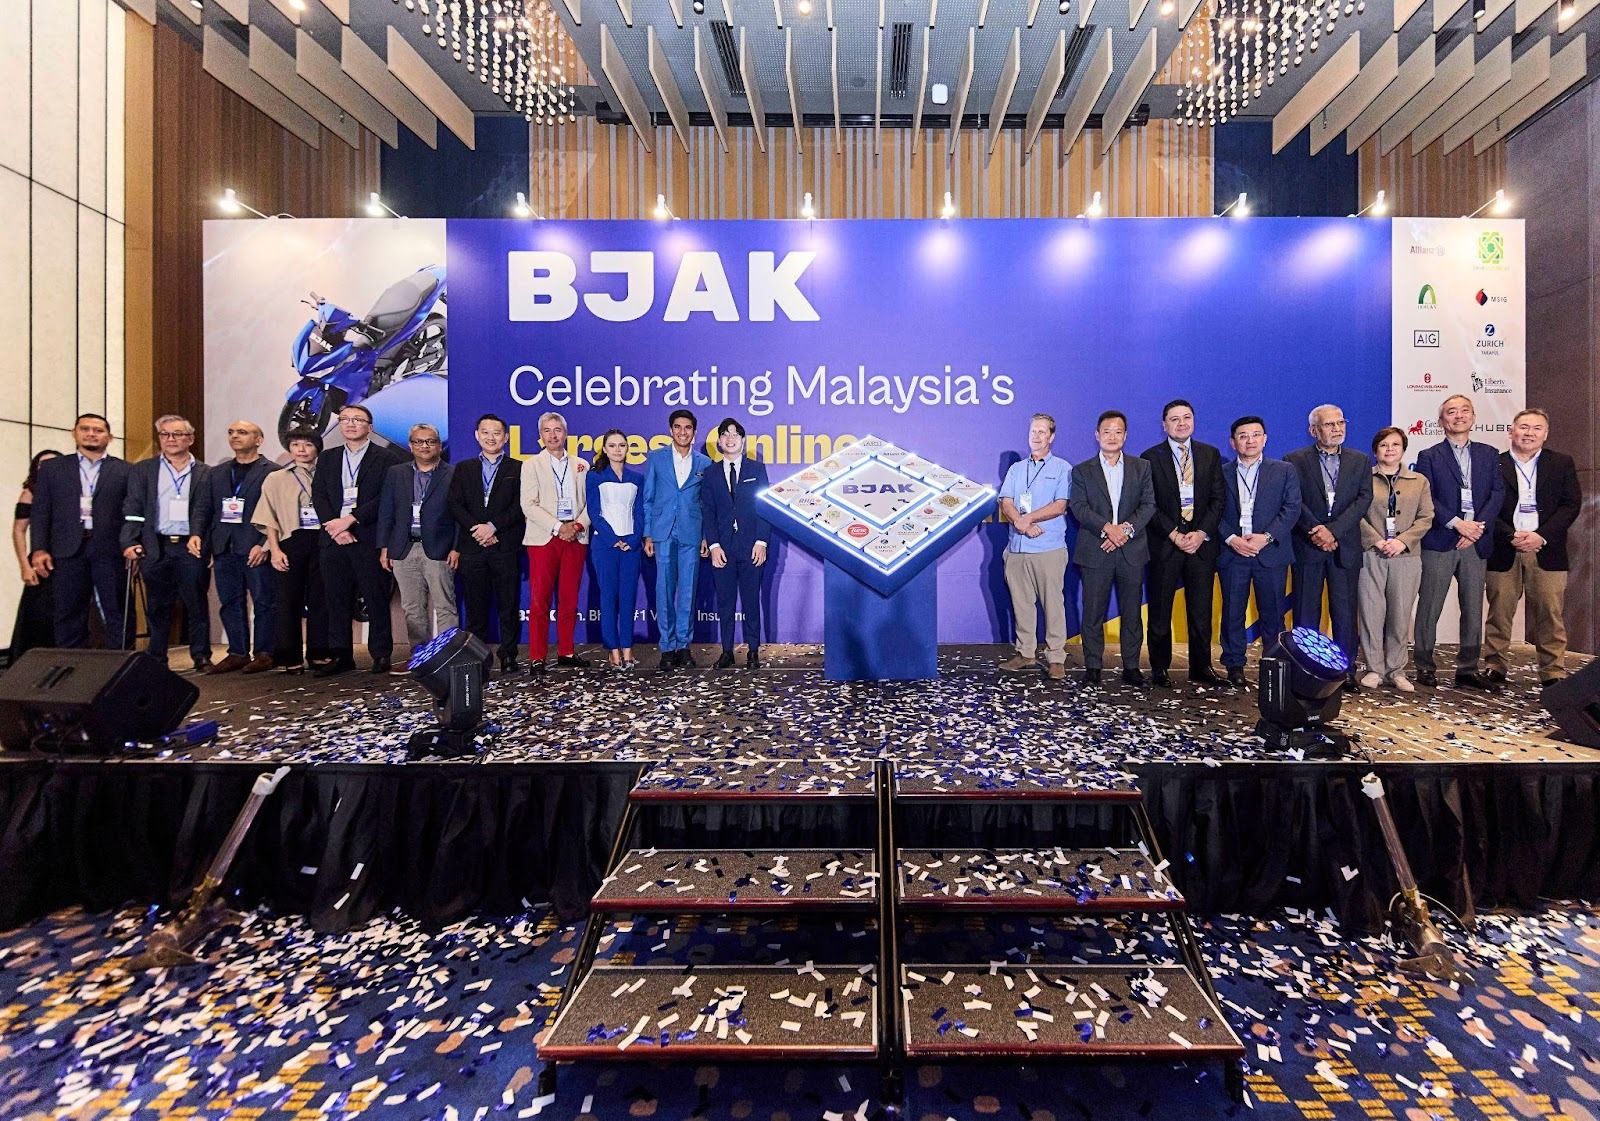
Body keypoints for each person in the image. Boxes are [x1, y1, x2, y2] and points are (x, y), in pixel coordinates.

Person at [1485, 408, 1583, 687]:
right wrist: (1509, 535)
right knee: (1499, 612)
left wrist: (1541, 536)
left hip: (1546, 550)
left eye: (1537, 428)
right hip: (1504, 548)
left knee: (1550, 613)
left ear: (1546, 434)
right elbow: (1486, 506)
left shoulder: (1561, 463)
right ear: (1511, 431)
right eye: (1524, 427)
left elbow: (1570, 505)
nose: (1529, 433)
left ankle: (1553, 671)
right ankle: (1495, 666)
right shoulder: (1494, 464)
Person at [1412, 394, 1505, 688]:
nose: (1459, 416)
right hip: (1441, 540)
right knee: (1430, 606)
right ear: (1441, 421)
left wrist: (1476, 528)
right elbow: (1427, 497)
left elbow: (1497, 494)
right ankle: (1424, 665)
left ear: (1473, 417)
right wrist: (1458, 524)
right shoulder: (1429, 456)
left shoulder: (1489, 454)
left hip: (1476, 542)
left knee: (1473, 608)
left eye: (1465, 410)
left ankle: (1467, 668)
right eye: (1451, 412)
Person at [1284, 404, 1372, 691]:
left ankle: (1345, 671)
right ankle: (1307, 670)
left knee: (1345, 614)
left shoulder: (1360, 460)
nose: (1337, 429)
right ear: (1313, 430)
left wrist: (1333, 531)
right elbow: (1295, 501)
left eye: (1340, 422)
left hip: (1344, 547)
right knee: (1306, 612)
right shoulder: (1294, 460)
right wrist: (1317, 531)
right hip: (1308, 546)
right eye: (1329, 424)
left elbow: (1363, 500)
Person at [1140, 399, 1227, 686]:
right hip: (1166, 544)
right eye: (1174, 419)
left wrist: (1200, 533)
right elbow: (1149, 504)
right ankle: (1159, 667)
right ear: (1164, 425)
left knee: (1201, 611)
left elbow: (1218, 499)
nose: (1181, 423)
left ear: (1193, 421)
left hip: (1201, 545)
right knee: (1160, 610)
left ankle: (1202, 667)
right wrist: (1174, 534)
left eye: (1186, 417)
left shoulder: (1210, 454)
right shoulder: (1150, 457)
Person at [29, 413, 133, 649]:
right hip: (67, 549)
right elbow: (41, 511)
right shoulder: (53, 468)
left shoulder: (125, 470)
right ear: (74, 433)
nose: (91, 434)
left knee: (117, 609)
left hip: (110, 549)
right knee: (68, 611)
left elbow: (133, 512)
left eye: (98, 430)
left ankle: (121, 663)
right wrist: (39, 549)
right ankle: (71, 664)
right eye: (85, 429)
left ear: (110, 437)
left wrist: (132, 544)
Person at [312, 404, 402, 675]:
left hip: (367, 537)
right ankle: (340, 655)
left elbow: (386, 498)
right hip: (334, 539)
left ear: (370, 427)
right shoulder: (327, 458)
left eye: (358, 420)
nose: (350, 424)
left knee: (376, 598)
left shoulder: (386, 458)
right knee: (336, 600)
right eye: (345, 419)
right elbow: (319, 495)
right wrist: (335, 527)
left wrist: (350, 520)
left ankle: (381, 654)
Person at [1069, 410, 1155, 687]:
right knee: (1093, 612)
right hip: (1096, 549)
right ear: (1097, 435)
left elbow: (1148, 505)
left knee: (1132, 613)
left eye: (1118, 432)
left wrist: (1125, 531)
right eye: (1107, 431)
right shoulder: (1082, 470)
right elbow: (1079, 507)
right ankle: (1093, 666)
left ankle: (1132, 666)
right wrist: (1108, 528)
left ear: (1125, 436)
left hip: (1132, 551)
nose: (1112, 436)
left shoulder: (1142, 467)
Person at [121, 415, 212, 672]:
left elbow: (209, 512)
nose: (170, 439)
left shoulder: (206, 472)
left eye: (177, 434)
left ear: (190, 439)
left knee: (196, 603)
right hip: (155, 545)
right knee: (158, 605)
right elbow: (133, 508)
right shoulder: (143, 470)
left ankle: (201, 655)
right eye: (165, 434)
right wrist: (129, 541)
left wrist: (210, 546)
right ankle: (157, 656)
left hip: (191, 547)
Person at [1217, 416, 1301, 688]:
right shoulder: (1220, 472)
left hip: (1270, 552)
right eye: (1243, 436)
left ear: (1265, 439)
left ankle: (1273, 665)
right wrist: (1232, 539)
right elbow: (1212, 510)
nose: (1250, 440)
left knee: (1273, 614)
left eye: (1255, 435)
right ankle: (1234, 665)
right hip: (1233, 553)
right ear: (1233, 443)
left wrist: (1266, 537)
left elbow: (1292, 508)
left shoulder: (1284, 470)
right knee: (1233, 612)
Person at [191, 420, 277, 674]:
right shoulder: (216, 473)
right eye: (231, 432)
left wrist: (265, 545)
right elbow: (203, 508)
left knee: (264, 601)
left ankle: (265, 653)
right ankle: (237, 653)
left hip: (255, 547)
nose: (235, 436)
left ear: (259, 440)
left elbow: (278, 513)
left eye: (242, 432)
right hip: (223, 546)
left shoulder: (273, 471)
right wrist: (197, 535)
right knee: (230, 602)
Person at [1357, 427, 1433, 692]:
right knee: (1371, 612)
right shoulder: (1363, 478)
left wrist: (1402, 541)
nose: (1389, 450)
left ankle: (1396, 670)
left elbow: (1426, 517)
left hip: (1406, 556)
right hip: (1371, 553)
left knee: (1400, 614)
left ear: (1403, 449)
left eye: (1395, 445)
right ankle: (1373, 669)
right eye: (1384, 445)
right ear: (1375, 450)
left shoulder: (1419, 480)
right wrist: (1377, 540)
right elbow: (1356, 513)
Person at [997, 413, 1073, 679]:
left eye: (1042, 432)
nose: (1036, 436)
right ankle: (1026, 653)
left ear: (1051, 437)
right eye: (1033, 431)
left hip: (1048, 548)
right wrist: (1021, 523)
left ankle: (1056, 658)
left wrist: (1027, 519)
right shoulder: (1017, 469)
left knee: (1053, 605)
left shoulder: (1062, 468)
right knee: (1021, 605)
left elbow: (1060, 505)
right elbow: (1006, 501)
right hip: (1016, 548)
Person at [449, 413, 524, 674]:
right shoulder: (463, 468)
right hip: (473, 548)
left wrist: (493, 527)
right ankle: (477, 659)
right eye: (485, 432)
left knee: (508, 606)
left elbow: (520, 506)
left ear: (506, 437)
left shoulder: (518, 468)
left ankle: (509, 655)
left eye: (496, 433)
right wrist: (478, 530)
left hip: (504, 546)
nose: (491, 437)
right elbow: (455, 504)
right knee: (475, 608)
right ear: (477, 435)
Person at [378, 423, 458, 670]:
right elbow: (387, 511)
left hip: (439, 548)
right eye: (419, 441)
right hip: (403, 548)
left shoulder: (452, 473)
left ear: (439, 446)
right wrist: (385, 547)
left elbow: (459, 515)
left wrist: (456, 547)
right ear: (411, 446)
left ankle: (448, 656)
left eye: (431, 441)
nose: (425, 446)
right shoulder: (396, 473)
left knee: (444, 605)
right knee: (412, 608)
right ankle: (419, 657)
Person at [253, 428, 331, 674]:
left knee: (321, 599)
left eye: (308, 444)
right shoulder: (276, 478)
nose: (302, 450)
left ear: (317, 448)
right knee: (288, 600)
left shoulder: (327, 475)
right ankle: (290, 656)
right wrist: (274, 550)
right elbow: (269, 517)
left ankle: (319, 653)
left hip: (323, 540)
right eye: (296, 444)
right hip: (290, 541)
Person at [522, 411, 591, 674]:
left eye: (557, 430)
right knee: (540, 599)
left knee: (569, 598)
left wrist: (576, 526)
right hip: (544, 538)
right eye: (547, 430)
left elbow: (590, 504)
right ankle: (537, 655)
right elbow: (528, 505)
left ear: (565, 433)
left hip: (575, 537)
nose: (552, 435)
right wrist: (557, 527)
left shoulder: (581, 465)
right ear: (541, 435)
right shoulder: (531, 465)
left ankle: (566, 651)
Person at [643, 409, 712, 671]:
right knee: (663, 591)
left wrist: (705, 536)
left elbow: (706, 504)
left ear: (694, 432)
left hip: (691, 532)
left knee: (687, 591)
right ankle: (667, 647)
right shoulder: (656, 458)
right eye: (678, 427)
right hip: (662, 532)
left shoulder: (704, 463)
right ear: (671, 430)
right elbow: (648, 499)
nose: (682, 432)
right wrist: (648, 533)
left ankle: (683, 646)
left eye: (687, 428)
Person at [700, 418, 770, 669]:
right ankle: (727, 651)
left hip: (751, 546)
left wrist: (761, 541)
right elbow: (708, 512)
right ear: (719, 441)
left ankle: (753, 651)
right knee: (725, 602)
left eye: (735, 434)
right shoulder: (710, 473)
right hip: (723, 548)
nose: (730, 438)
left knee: (751, 600)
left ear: (743, 440)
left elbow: (765, 508)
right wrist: (714, 545)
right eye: (725, 434)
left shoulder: (757, 469)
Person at [587, 429, 645, 669]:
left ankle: (628, 649)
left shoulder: (637, 478)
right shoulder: (594, 476)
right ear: (604, 449)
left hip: (631, 546)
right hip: (605, 545)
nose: (617, 449)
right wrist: (613, 539)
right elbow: (594, 512)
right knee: (608, 597)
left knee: (628, 597)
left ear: (627, 448)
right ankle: (612, 650)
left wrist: (633, 539)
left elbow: (640, 512)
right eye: (612, 445)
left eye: (622, 445)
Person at [10, 449, 63, 661]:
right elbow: (19, 530)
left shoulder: (72, 491)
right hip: (41, 561)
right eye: (43, 465)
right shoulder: (30, 493)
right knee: (39, 615)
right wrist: (24, 566)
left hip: (69, 558)